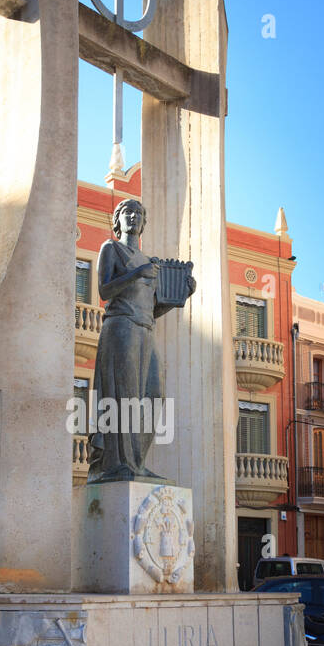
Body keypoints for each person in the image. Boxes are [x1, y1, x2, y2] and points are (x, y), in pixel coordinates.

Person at [87, 197, 195, 483]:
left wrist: (181, 296)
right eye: (127, 212)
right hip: (120, 327)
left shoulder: (151, 262)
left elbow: (152, 309)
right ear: (118, 219)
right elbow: (105, 290)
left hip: (145, 329)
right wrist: (137, 273)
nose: (133, 216)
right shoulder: (111, 249)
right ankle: (117, 463)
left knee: (152, 397)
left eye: (138, 213)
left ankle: (136, 462)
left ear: (144, 222)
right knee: (124, 396)